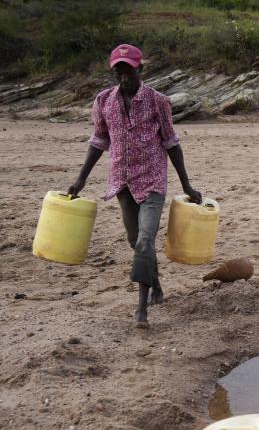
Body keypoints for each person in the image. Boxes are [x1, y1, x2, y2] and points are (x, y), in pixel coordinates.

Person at [67, 43, 202, 328]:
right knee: (135, 242)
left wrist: (187, 186)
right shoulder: (104, 101)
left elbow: (171, 144)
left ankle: (142, 310)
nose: (123, 75)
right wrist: (80, 180)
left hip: (152, 180)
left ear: (140, 68)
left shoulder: (157, 101)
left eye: (128, 69)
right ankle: (157, 285)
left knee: (144, 240)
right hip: (122, 182)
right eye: (118, 70)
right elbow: (99, 142)